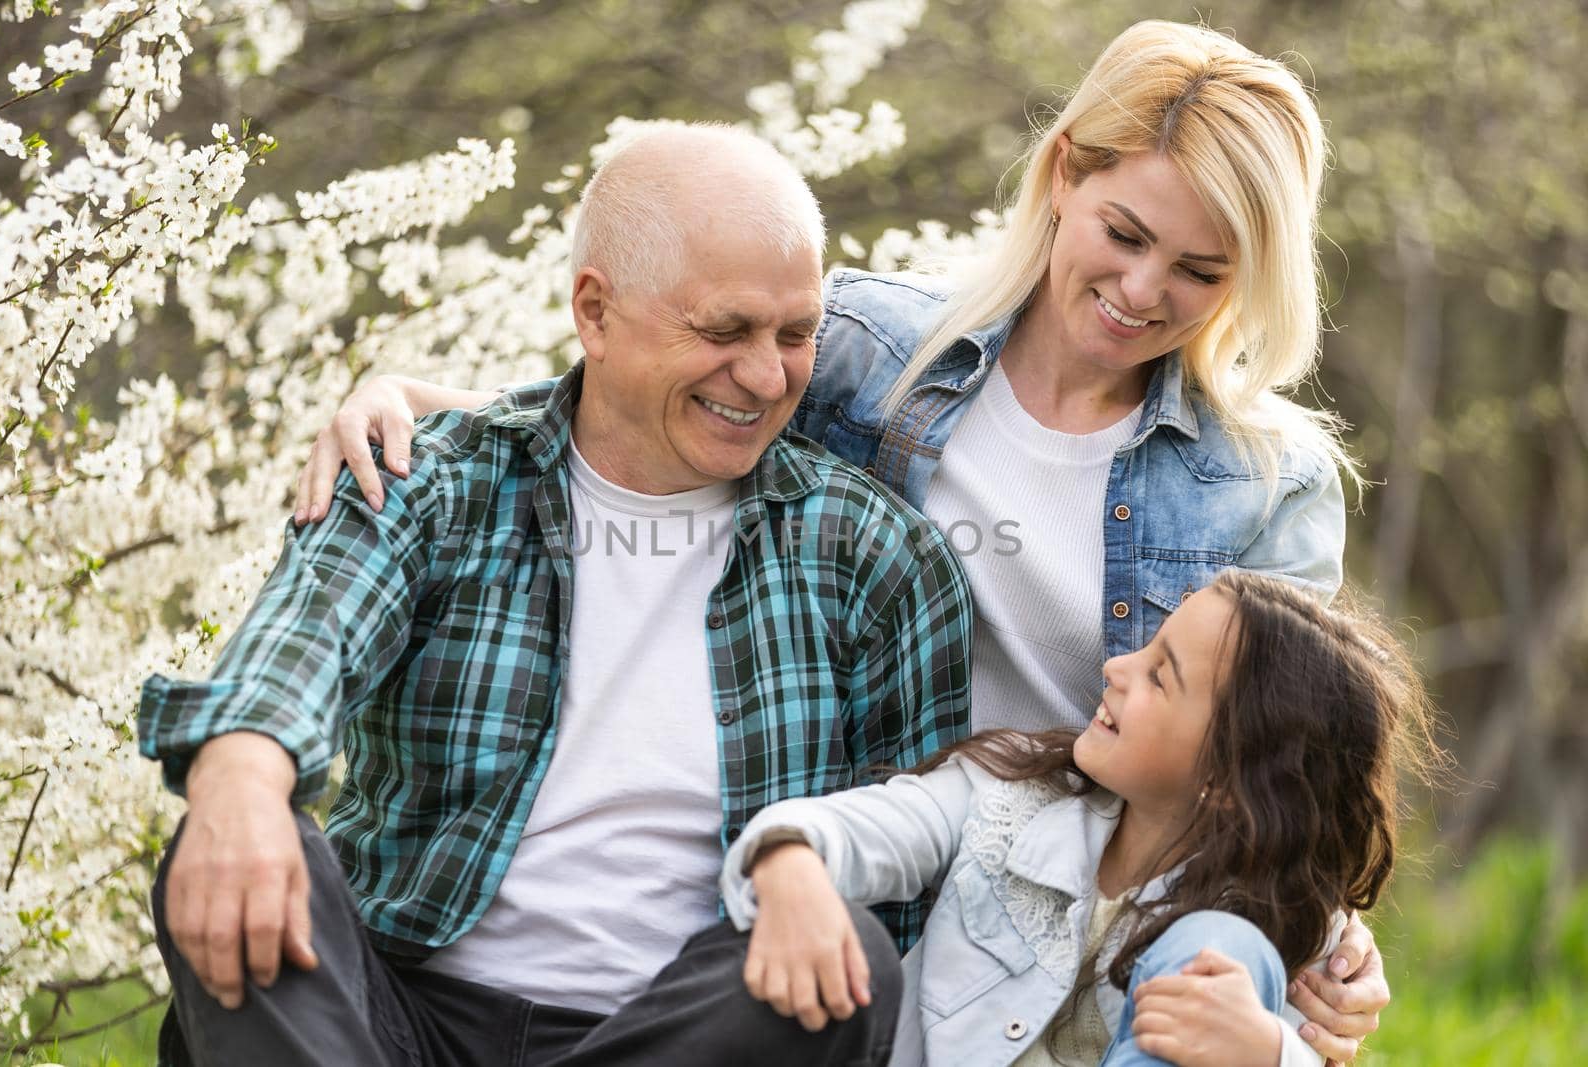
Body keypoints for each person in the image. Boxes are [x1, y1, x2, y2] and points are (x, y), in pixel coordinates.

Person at [289, 20, 1389, 1057]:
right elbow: (621, 410)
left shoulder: (1262, 480)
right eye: (1125, 234)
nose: (1143, 291)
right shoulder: (870, 350)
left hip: (1089, 895)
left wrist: (1333, 931)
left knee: (1230, 963)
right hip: (872, 850)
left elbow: (1289, 748)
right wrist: (411, 402)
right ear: (1065, 175)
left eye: (1200, 272)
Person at [136, 123, 973, 1067]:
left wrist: (804, 867)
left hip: (675, 1031)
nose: (768, 375)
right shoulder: (437, 483)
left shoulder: (875, 556)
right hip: (394, 1016)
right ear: (595, 312)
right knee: (236, 824)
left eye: (797, 334)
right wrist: (242, 772)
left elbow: (911, 861)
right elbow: (306, 639)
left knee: (847, 956)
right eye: (724, 330)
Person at [722, 570, 1442, 1067]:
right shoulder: (1010, 797)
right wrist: (790, 861)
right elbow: (868, 827)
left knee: (1219, 944)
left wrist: (1267, 1051)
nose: (1117, 667)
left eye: (1161, 674)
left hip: (1226, 947)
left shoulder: (1285, 930)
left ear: (1230, 776)